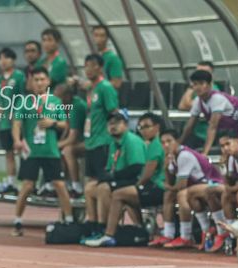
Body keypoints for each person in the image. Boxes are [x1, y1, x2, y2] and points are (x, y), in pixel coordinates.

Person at [85, 112, 164, 247]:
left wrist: (116, 179)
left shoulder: (137, 142)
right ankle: (94, 228)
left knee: (108, 190)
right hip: (141, 183)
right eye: (141, 127)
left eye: (117, 123)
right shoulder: (113, 143)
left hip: (147, 184)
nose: (113, 126)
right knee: (90, 187)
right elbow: (111, 168)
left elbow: (139, 169)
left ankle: (105, 229)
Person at [10, 67, 72, 237]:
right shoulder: (24, 101)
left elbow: (64, 124)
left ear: (48, 81)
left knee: (59, 184)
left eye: (42, 79)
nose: (39, 83)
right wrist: (16, 140)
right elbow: (17, 123)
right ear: (31, 82)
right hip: (31, 151)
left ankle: (70, 220)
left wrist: (52, 123)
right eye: (36, 80)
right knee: (27, 185)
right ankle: (17, 220)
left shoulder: (55, 101)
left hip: (50, 151)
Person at [148, 129, 223, 249]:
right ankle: (168, 234)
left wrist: (168, 186)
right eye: (163, 142)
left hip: (211, 184)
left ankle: (186, 236)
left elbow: (181, 186)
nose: (166, 145)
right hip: (196, 187)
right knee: (168, 195)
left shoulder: (184, 155)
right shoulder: (172, 157)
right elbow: (171, 182)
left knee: (181, 194)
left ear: (177, 141)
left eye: (169, 141)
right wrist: (166, 168)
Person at [179, 69, 238, 157]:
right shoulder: (198, 101)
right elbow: (189, 126)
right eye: (195, 84)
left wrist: (205, 153)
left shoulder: (217, 99)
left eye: (202, 83)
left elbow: (212, 127)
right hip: (236, 126)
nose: (198, 87)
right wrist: (178, 142)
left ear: (210, 85)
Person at [82, 54, 119, 231]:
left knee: (103, 185)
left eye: (92, 66)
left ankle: (105, 224)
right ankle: (93, 222)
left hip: (103, 142)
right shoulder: (93, 89)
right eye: (86, 66)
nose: (88, 69)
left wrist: (112, 137)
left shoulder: (105, 87)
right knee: (90, 185)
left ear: (100, 68)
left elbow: (114, 112)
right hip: (91, 141)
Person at [0, 47, 26, 195]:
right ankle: (11, 184)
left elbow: (24, 96)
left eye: (6, 58)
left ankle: (28, 182)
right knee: (9, 153)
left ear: (13, 60)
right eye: (0, 58)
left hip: (19, 121)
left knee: (24, 151)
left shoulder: (20, 76)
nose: (3, 61)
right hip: (4, 123)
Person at [55, 82, 87, 197]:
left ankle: (76, 187)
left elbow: (72, 138)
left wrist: (57, 145)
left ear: (67, 96)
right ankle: (65, 186)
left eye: (58, 98)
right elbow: (68, 127)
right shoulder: (66, 106)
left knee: (67, 150)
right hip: (81, 140)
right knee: (57, 150)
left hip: (92, 140)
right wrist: (58, 144)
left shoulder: (76, 106)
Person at [177, 61, 218, 149]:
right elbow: (181, 106)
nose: (199, 75)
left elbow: (186, 105)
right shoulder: (196, 89)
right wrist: (191, 87)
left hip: (202, 134)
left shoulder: (213, 91)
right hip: (194, 132)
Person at [92, 25, 123, 90]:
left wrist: (95, 84)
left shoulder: (112, 58)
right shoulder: (92, 57)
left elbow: (117, 83)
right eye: (96, 35)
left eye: (102, 36)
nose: (98, 39)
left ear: (107, 38)